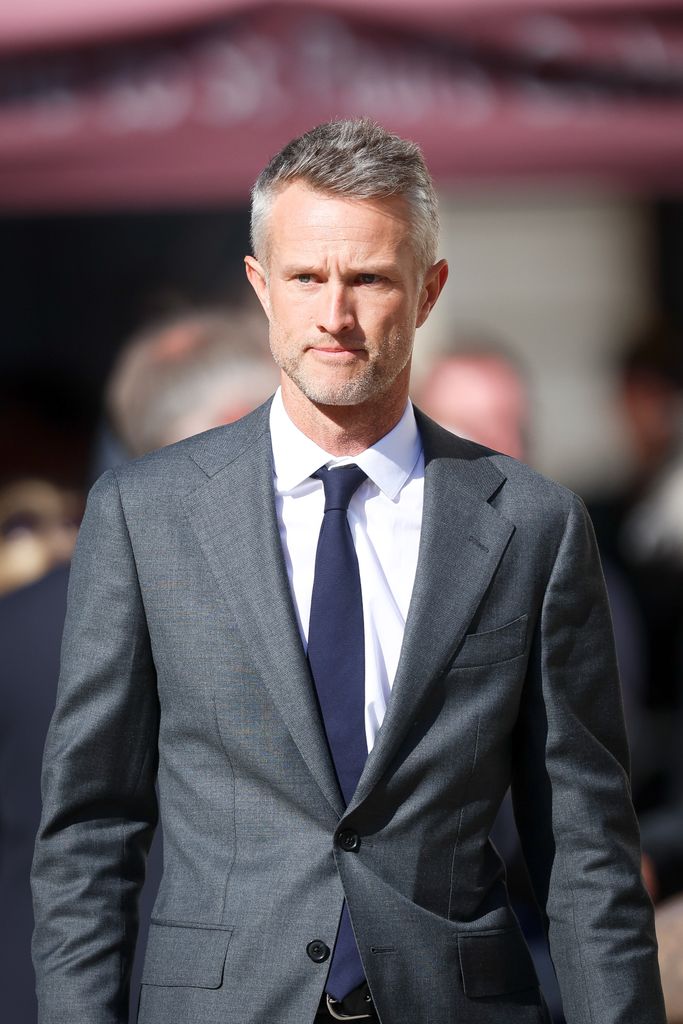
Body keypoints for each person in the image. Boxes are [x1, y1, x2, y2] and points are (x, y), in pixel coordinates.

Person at [31, 118, 664, 1024]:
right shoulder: (148, 514)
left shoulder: (529, 524)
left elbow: (585, 846)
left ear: (427, 290)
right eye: (305, 278)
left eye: (367, 278)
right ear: (260, 286)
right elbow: (91, 829)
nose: (334, 314)